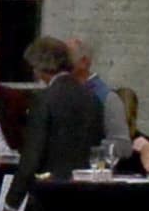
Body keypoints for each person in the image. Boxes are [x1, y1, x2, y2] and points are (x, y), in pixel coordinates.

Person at [22, 34, 113, 183]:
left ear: (40, 68)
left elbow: (32, 156)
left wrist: (12, 202)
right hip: (85, 185)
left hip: (52, 187)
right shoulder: (92, 97)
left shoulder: (44, 99)